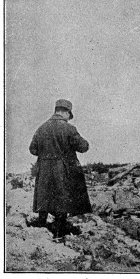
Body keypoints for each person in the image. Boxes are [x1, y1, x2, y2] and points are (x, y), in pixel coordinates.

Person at [29, 99, 92, 238]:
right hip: (63, 169)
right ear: (65, 112)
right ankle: (59, 232)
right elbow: (83, 147)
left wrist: (46, 154)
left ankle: (41, 226)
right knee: (62, 198)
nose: (69, 118)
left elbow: (32, 149)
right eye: (69, 115)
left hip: (44, 169)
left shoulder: (41, 128)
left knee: (44, 197)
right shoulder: (69, 129)